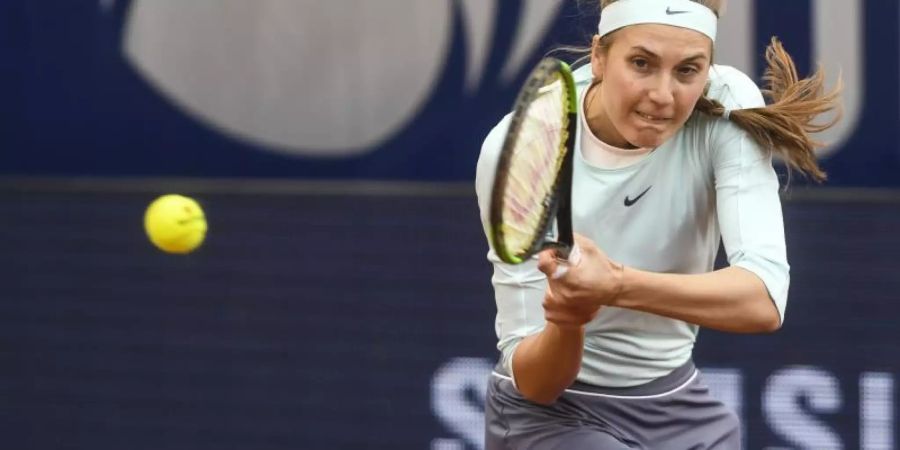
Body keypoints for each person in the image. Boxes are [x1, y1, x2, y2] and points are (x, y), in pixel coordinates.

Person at [474, 0, 841, 448]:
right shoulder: (526, 146)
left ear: (708, 69)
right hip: (551, 416)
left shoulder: (726, 104)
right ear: (599, 56)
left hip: (677, 401)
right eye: (641, 63)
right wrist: (567, 320)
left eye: (687, 70)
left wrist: (614, 285)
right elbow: (536, 384)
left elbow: (762, 300)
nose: (663, 96)